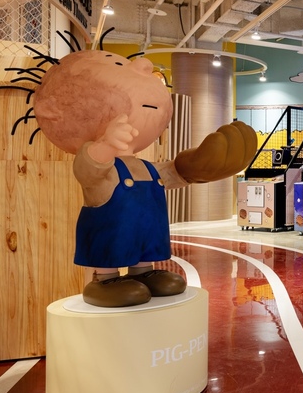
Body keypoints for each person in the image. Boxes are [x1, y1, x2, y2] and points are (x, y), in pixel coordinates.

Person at [33, 48, 257, 307]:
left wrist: (199, 166)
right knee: (112, 243)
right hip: (108, 232)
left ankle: (143, 272)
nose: (143, 65)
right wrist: (105, 144)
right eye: (116, 64)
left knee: (143, 240)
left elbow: (171, 173)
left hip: (144, 231)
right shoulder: (99, 160)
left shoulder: (144, 166)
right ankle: (104, 279)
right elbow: (88, 170)